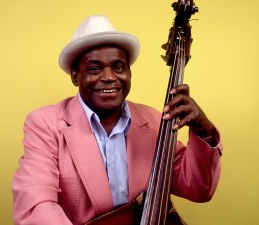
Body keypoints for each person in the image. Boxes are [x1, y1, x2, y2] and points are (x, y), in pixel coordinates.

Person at [12, 15, 223, 225]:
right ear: (75, 76)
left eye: (118, 67)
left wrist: (203, 130)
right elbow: (36, 205)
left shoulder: (153, 121)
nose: (109, 77)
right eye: (95, 68)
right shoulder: (44, 124)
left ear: (129, 72)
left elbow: (198, 189)